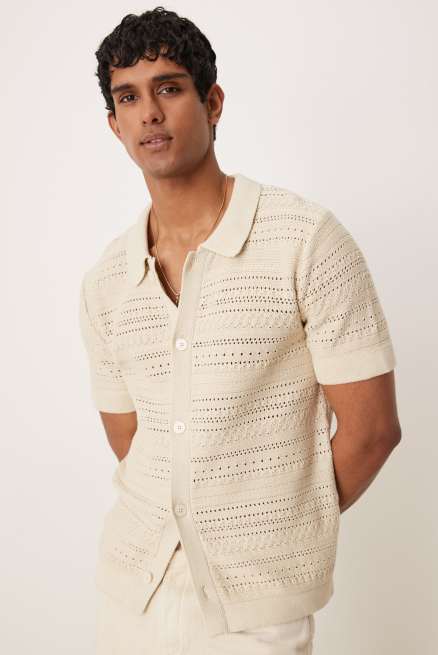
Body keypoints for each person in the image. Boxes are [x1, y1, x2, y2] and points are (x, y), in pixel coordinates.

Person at [78, 6, 402, 654]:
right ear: (114, 124)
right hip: (130, 595)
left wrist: (277, 525)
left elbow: (372, 431)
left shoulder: (305, 241)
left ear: (213, 102)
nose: (150, 114)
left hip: (258, 614)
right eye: (129, 97)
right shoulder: (107, 280)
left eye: (169, 88)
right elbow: (132, 439)